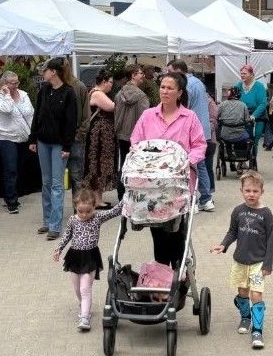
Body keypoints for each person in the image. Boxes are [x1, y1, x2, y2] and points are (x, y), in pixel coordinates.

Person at [130, 71, 207, 267]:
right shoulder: (148, 116)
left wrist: (186, 161)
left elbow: (199, 145)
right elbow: (136, 142)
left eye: (170, 88)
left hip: (178, 184)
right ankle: (161, 271)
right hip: (152, 186)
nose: (164, 91)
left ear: (179, 93)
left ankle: (178, 272)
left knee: (177, 231)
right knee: (158, 233)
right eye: (162, 87)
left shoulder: (189, 117)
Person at [210, 170, 273, 350]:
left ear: (262, 192)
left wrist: (268, 264)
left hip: (258, 263)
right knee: (243, 292)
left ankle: (257, 331)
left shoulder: (266, 214)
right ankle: (245, 317)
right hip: (240, 261)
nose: (251, 194)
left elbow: (271, 240)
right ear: (241, 191)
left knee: (256, 294)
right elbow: (232, 232)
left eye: (255, 191)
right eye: (247, 191)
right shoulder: (238, 211)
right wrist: (223, 245)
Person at [52, 189, 124, 331]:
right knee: (77, 289)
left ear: (94, 207)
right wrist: (58, 249)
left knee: (85, 288)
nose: (84, 214)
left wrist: (127, 197)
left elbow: (115, 211)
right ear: (75, 207)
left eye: (88, 211)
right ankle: (83, 304)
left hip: (90, 257)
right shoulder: (72, 220)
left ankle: (85, 317)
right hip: (74, 257)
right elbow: (67, 236)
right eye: (80, 211)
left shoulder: (98, 217)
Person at [29, 57, 78, 240]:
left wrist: (67, 146)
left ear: (54, 72)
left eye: (45, 70)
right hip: (43, 141)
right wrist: (33, 138)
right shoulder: (43, 90)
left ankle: (55, 226)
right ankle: (47, 220)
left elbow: (71, 122)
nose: (43, 73)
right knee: (46, 182)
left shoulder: (68, 93)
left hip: (59, 144)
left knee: (57, 184)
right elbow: (37, 116)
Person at [167, 60, 215, 212]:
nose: (169, 75)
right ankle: (206, 199)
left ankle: (193, 199)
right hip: (203, 128)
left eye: (170, 71)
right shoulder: (198, 82)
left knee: (191, 165)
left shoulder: (185, 85)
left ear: (179, 70)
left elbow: (181, 108)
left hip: (191, 130)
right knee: (201, 165)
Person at [0, 70, 34, 214]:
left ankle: (11, 194)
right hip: (7, 137)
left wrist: (33, 134)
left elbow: (30, 113)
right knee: (10, 169)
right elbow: (7, 109)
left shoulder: (24, 95)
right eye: (12, 83)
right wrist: (7, 95)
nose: (16, 85)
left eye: (17, 82)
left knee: (18, 168)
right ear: (5, 84)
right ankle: (11, 201)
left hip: (23, 136)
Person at [114, 64, 150, 201]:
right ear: (133, 75)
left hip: (122, 134)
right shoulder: (141, 97)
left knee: (123, 164)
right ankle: (133, 196)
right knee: (137, 167)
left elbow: (116, 114)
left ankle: (121, 196)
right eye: (140, 73)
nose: (143, 76)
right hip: (137, 138)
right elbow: (145, 120)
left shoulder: (119, 94)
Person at [83, 70, 117, 209]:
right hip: (98, 138)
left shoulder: (95, 92)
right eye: (110, 82)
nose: (111, 85)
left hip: (101, 137)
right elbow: (112, 107)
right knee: (98, 166)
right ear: (103, 81)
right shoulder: (97, 93)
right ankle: (97, 200)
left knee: (99, 166)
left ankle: (98, 199)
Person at [63, 58, 91, 196]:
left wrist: (80, 134)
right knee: (58, 178)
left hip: (75, 137)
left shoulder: (79, 87)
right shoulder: (52, 87)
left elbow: (86, 114)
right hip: (58, 138)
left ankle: (78, 207)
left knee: (76, 176)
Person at [233, 64, 268, 163]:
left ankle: (253, 160)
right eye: (241, 73)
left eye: (244, 73)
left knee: (254, 140)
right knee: (241, 139)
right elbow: (233, 100)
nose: (242, 75)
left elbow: (263, 103)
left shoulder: (259, 86)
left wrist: (254, 116)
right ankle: (242, 161)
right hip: (242, 116)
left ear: (252, 74)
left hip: (257, 117)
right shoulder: (238, 86)